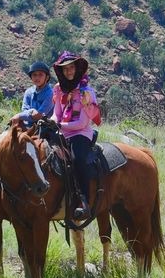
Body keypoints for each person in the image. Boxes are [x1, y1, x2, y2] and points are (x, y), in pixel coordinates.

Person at [50, 51, 101, 221]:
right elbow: (56, 113)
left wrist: (59, 125)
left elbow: (81, 123)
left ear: (77, 69)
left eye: (71, 68)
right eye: (65, 69)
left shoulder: (86, 92)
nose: (69, 72)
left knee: (77, 157)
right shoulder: (58, 89)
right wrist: (51, 122)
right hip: (62, 132)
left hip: (80, 133)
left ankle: (84, 201)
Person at [11, 61, 54, 127]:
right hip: (28, 125)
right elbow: (24, 110)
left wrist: (19, 115)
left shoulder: (51, 93)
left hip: (45, 127)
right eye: (34, 75)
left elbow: (39, 115)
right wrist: (32, 111)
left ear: (47, 77)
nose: (37, 78)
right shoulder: (28, 92)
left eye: (40, 74)